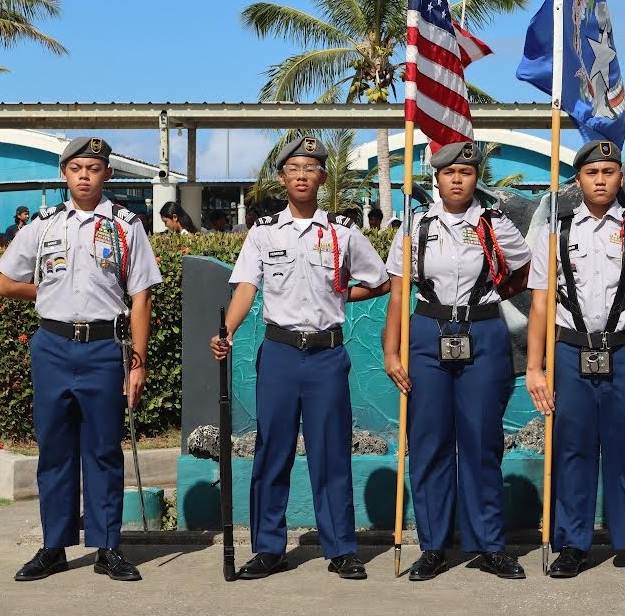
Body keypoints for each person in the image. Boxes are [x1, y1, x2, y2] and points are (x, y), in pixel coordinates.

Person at [210, 136, 390, 581]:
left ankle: (341, 549)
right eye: (294, 168)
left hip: (327, 355)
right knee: (272, 451)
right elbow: (246, 288)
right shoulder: (263, 231)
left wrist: (342, 293)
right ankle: (269, 548)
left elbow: (381, 281)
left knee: (331, 452)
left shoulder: (343, 232)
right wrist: (226, 330)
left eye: (311, 167)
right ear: (282, 177)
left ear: (322, 178)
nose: (303, 175)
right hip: (280, 355)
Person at [0, 137, 162, 583]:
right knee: (54, 448)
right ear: (64, 173)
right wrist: (51, 292)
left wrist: (139, 362)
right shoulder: (44, 225)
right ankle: (54, 545)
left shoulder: (127, 225)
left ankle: (108, 545)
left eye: (94, 167)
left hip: (105, 347)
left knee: (104, 449)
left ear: (107, 174)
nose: (85, 175)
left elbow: (141, 296)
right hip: (52, 345)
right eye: (76, 168)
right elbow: (6, 282)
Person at [525, 139, 625, 580]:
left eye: (609, 172)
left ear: (620, 177)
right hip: (571, 352)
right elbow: (540, 302)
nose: (601, 180)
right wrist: (535, 366)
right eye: (592, 173)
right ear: (578, 180)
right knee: (573, 449)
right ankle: (573, 545)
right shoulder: (556, 232)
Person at [382, 141, 532, 581]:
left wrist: (491, 299)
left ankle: (488, 544)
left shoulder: (494, 224)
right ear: (438, 177)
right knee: (429, 442)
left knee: (482, 441)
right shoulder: (413, 225)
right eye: (450, 173)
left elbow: (522, 271)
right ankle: (433, 546)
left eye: (466, 173)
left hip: (483, 332)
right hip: (428, 332)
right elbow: (397, 291)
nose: (457, 179)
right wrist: (392, 351)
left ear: (474, 178)